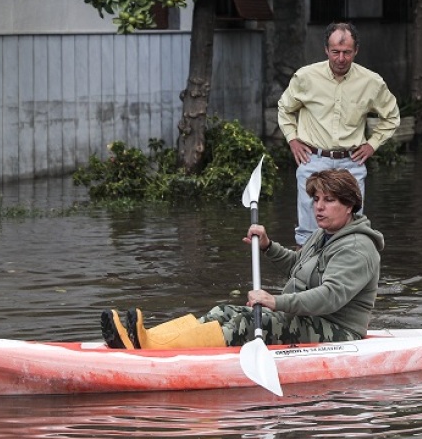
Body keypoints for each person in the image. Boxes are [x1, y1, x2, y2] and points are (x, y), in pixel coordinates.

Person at [100, 168, 385, 350]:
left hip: (338, 332)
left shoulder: (357, 248)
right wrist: (268, 246)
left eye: (329, 200)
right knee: (223, 311)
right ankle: (148, 339)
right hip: (308, 318)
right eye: (316, 199)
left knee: (246, 324)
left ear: (350, 205)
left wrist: (276, 302)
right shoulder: (324, 234)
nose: (319, 207)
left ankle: (154, 349)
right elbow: (298, 267)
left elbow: (330, 297)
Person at [276, 22, 399, 247]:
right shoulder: (305, 77)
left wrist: (372, 144)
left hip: (351, 162)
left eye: (346, 52)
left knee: (353, 229)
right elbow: (285, 108)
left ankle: (349, 266)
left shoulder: (371, 82)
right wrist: (292, 139)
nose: (341, 58)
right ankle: (306, 267)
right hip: (312, 159)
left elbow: (391, 116)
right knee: (307, 232)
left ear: (356, 51)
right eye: (335, 52)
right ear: (326, 50)